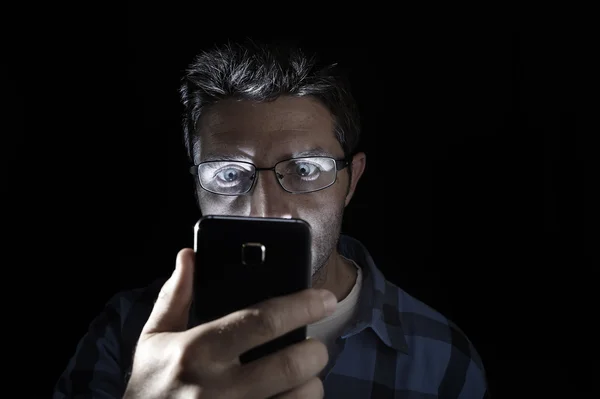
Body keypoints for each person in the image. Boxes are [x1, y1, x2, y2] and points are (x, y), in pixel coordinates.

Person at [53, 39, 490, 398]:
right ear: (196, 186)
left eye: (304, 170)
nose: (266, 209)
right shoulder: (125, 329)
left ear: (351, 181)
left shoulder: (443, 357)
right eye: (228, 173)